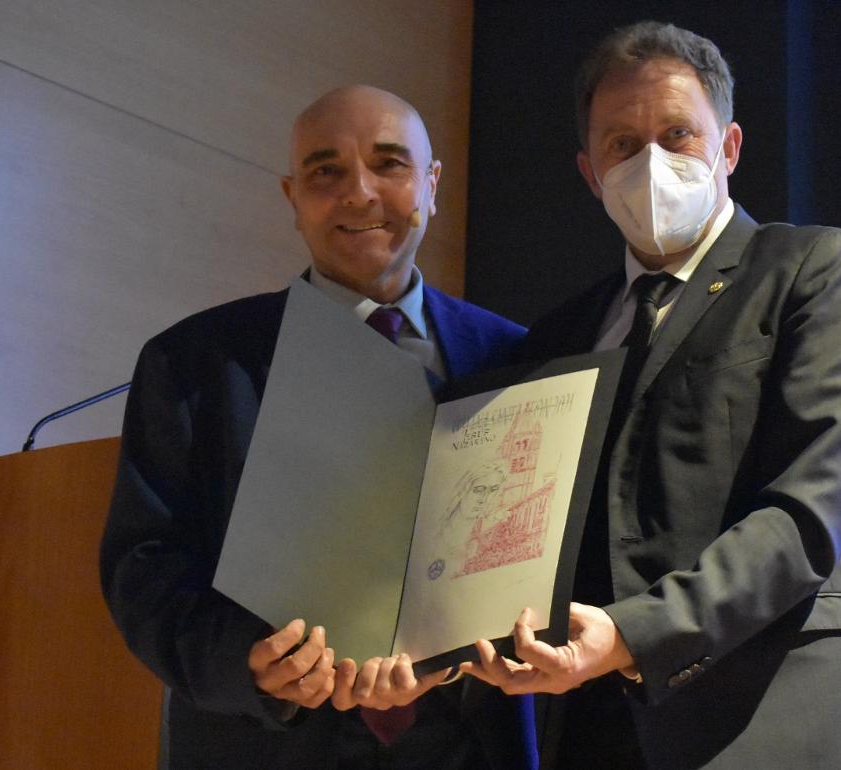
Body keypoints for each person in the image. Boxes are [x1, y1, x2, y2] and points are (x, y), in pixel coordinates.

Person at [463, 22, 841, 769]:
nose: (651, 163)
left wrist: (632, 635)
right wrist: (436, 649)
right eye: (622, 144)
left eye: (677, 134)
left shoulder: (817, 271)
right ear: (590, 172)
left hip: (773, 726)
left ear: (729, 147)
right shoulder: (560, 338)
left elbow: (810, 512)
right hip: (595, 736)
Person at [101, 85, 536, 769]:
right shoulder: (192, 363)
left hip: (469, 747)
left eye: (389, 163)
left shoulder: (518, 359)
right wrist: (248, 662)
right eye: (326, 171)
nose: (359, 193)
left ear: (432, 184)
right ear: (293, 198)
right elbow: (143, 567)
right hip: (262, 745)